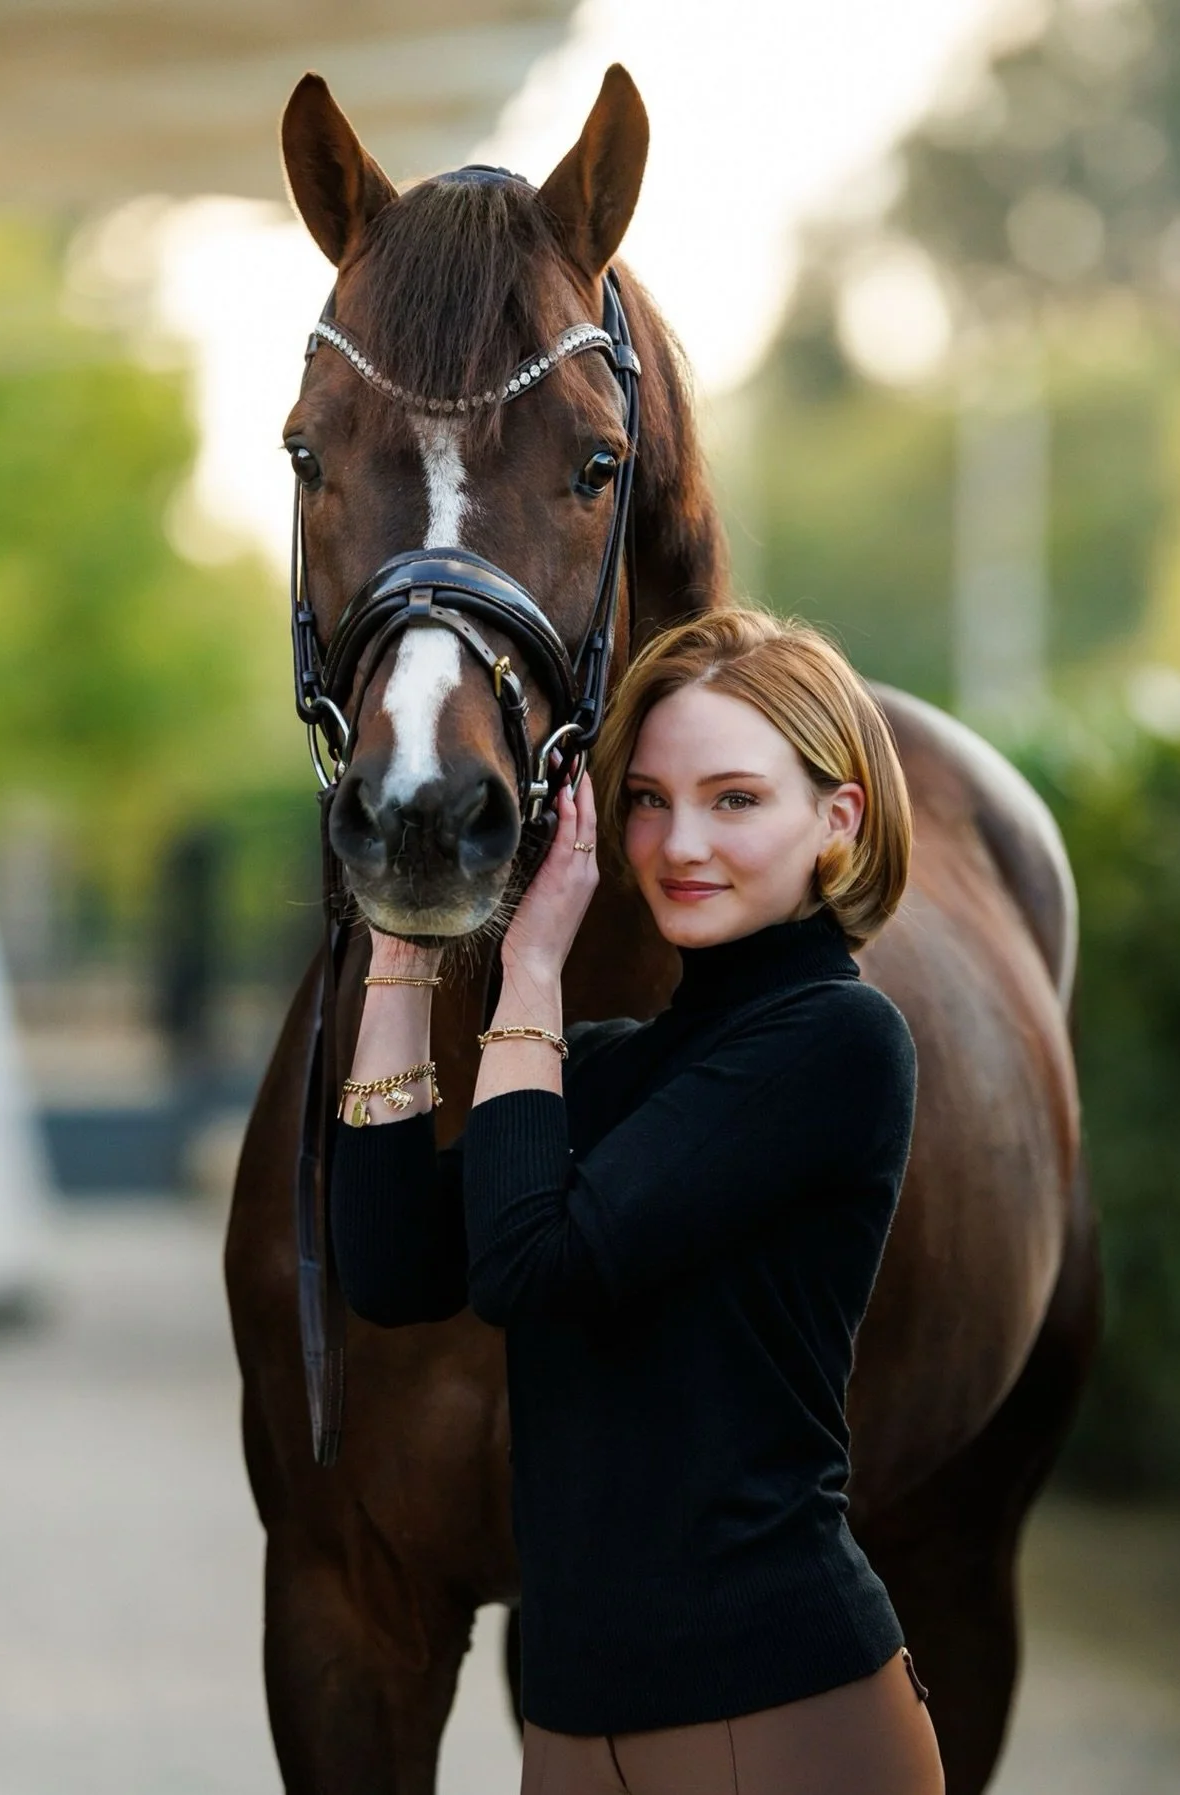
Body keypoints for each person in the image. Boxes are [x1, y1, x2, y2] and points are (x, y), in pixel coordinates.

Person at [330, 607, 945, 1795]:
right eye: (650, 799)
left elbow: (526, 1267)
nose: (678, 842)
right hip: (569, 1732)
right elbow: (394, 1266)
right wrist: (403, 957)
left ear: (838, 818)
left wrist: (532, 973)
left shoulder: (839, 1044)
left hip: (782, 1722)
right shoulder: (616, 1068)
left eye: (734, 799)